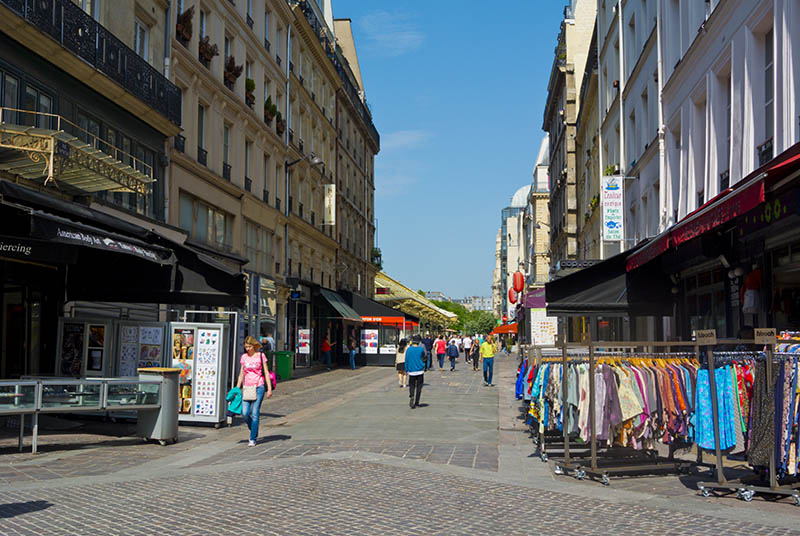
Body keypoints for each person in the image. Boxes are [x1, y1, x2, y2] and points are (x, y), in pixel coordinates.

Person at [237, 336, 273, 446]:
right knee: (244, 413)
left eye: (249, 347)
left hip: (259, 386)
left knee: (255, 413)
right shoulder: (244, 357)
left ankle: (252, 438)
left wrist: (269, 388)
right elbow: (241, 374)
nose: (247, 349)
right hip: (247, 387)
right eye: (246, 347)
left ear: (254, 346)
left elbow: (266, 373)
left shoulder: (261, 356)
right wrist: (237, 388)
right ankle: (253, 428)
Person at [404, 335, 426, 408]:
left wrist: (406, 369)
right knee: (419, 386)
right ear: (419, 342)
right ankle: (417, 401)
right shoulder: (421, 349)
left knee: (412, 385)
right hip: (420, 370)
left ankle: (412, 395)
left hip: (411, 370)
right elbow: (424, 357)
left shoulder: (408, 349)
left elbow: (406, 360)